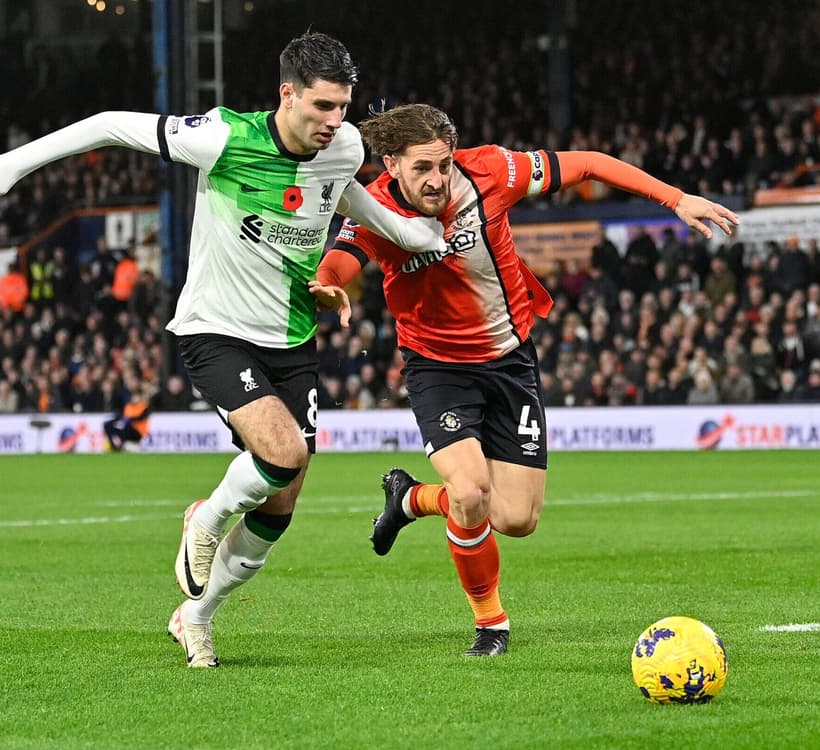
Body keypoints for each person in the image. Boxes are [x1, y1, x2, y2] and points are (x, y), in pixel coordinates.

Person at [0, 31, 447, 668]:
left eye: (342, 106)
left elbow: (343, 194)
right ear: (288, 94)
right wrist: (11, 165)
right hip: (215, 329)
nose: (335, 121)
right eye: (322, 107)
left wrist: (405, 232)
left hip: (292, 337)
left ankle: (195, 616)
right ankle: (205, 518)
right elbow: (112, 124)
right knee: (284, 452)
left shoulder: (346, 146)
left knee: (282, 500)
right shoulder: (224, 138)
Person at [313, 103, 738, 656]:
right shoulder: (375, 208)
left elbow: (586, 163)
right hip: (438, 369)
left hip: (511, 362)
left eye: (443, 164)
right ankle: (491, 624)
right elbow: (343, 258)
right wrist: (328, 283)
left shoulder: (491, 170)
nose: (437, 179)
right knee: (470, 493)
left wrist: (675, 199)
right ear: (390, 163)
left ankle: (412, 498)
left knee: (515, 519)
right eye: (422, 168)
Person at [104, 382, 152, 452]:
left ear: (140, 397)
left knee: (126, 425)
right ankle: (114, 446)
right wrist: (117, 419)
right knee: (108, 425)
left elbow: (141, 417)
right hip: (127, 429)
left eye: (136, 396)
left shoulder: (145, 407)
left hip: (138, 432)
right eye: (133, 396)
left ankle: (123, 446)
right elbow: (123, 417)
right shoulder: (128, 406)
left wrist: (129, 419)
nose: (134, 398)